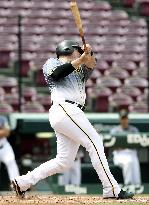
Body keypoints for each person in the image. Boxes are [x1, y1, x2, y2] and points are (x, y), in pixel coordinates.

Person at [11, 40, 134, 199]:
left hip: (70, 112)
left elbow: (91, 64)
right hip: (64, 108)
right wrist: (82, 59)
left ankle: (23, 182)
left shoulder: (79, 70)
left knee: (64, 161)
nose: (80, 53)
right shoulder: (52, 62)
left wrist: (89, 53)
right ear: (68, 50)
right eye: (78, 50)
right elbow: (57, 74)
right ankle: (111, 189)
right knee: (95, 141)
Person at [110, 109, 141, 185]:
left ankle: (137, 185)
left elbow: (138, 144)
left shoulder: (134, 130)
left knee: (135, 165)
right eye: (122, 118)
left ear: (128, 119)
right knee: (128, 162)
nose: (124, 120)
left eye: (125, 118)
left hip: (132, 153)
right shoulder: (115, 130)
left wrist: (123, 145)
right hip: (120, 154)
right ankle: (128, 185)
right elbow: (113, 146)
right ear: (120, 119)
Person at [0, 115, 19, 184]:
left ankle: (16, 186)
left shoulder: (2, 118)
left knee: (11, 162)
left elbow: (7, 132)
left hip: (4, 146)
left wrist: (3, 131)